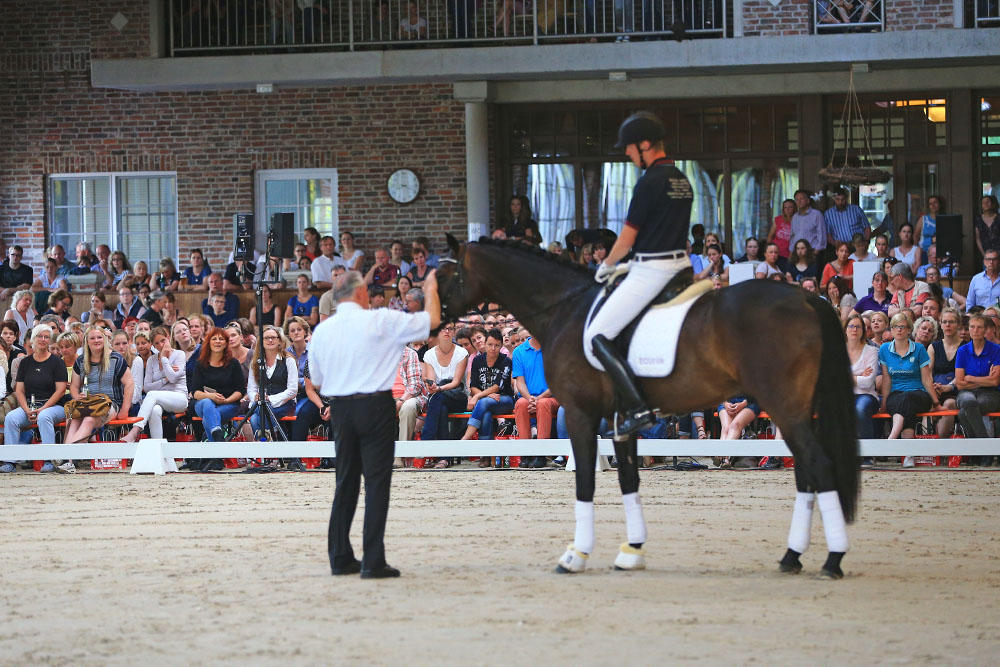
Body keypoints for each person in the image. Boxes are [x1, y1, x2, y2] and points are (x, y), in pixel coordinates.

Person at [309, 269, 440, 580]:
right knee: (377, 483)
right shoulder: (381, 319)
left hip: (341, 407)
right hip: (375, 404)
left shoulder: (323, 330)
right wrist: (431, 287)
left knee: (345, 482)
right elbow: (432, 321)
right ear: (361, 293)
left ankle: (340, 557)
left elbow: (318, 379)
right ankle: (373, 560)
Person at [583, 112, 693, 436]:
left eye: (630, 148)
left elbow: (627, 238)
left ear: (645, 145)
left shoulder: (650, 182)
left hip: (652, 270)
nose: (628, 154)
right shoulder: (681, 179)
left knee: (596, 337)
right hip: (679, 265)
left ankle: (637, 407)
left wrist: (606, 265)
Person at [1, 324, 68, 473]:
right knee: (11, 418)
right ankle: (10, 461)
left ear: (50, 340)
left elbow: (61, 391)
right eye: (40, 336)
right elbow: (19, 390)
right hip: (29, 407)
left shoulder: (57, 362)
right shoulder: (25, 363)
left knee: (44, 417)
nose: (43, 339)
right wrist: (26, 409)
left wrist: (42, 409)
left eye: (46, 337)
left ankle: (49, 460)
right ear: (33, 339)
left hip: (54, 407)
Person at [63, 326, 134, 446]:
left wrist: (124, 410)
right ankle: (68, 454)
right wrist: (76, 396)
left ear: (104, 339)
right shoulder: (80, 361)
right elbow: (74, 386)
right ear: (87, 341)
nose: (96, 340)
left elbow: (129, 384)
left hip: (110, 403)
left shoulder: (116, 359)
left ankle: (69, 454)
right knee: (73, 419)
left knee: (89, 419)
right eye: (92, 338)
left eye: (99, 337)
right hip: (87, 403)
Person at [879, 313, 939, 448]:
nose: (899, 330)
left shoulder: (919, 348)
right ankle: (908, 454)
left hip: (919, 393)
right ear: (891, 329)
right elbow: (886, 379)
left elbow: (926, 378)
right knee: (905, 406)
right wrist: (883, 404)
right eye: (896, 326)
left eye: (903, 327)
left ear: (909, 330)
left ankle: (891, 439)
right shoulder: (884, 349)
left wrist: (936, 402)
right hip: (896, 393)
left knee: (907, 398)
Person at [420, 322, 469, 468]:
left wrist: (439, 389)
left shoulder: (462, 353)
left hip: (457, 396)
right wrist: (432, 386)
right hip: (439, 398)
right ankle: (444, 458)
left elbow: (456, 382)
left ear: (453, 332)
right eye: (443, 329)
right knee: (441, 408)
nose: (446, 331)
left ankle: (426, 441)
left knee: (438, 399)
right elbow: (431, 380)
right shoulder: (429, 355)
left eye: (450, 329)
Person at [954, 313, 1000, 462]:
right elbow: (959, 383)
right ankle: (986, 450)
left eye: (979, 327)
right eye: (972, 327)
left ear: (986, 329)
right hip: (966, 392)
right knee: (968, 402)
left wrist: (971, 378)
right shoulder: (962, 350)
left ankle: (977, 453)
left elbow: (995, 382)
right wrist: (984, 380)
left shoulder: (996, 350)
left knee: (964, 412)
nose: (975, 330)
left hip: (990, 394)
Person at [511, 327, 560, 468]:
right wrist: (530, 398)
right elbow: (519, 382)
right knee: (520, 403)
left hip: (552, 397)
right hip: (530, 398)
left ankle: (541, 454)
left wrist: (538, 399)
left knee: (543, 403)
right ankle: (525, 453)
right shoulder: (519, 351)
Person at [460, 328, 514, 447]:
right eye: (490, 344)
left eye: (497, 345)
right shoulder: (477, 360)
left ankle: (465, 438)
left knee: (483, 403)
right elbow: (473, 386)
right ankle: (486, 452)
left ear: (501, 346)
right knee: (486, 412)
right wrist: (487, 395)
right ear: (485, 344)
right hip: (486, 401)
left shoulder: (505, 361)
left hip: (505, 400)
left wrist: (478, 396)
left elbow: (496, 387)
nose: (493, 348)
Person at [190, 327, 246, 445]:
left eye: (221, 339)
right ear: (209, 343)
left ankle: (216, 448)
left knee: (209, 417)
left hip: (228, 404)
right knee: (208, 404)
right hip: (203, 403)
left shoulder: (233, 363)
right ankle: (218, 439)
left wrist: (226, 401)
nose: (217, 341)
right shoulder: (200, 364)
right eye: (214, 339)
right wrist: (211, 397)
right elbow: (195, 392)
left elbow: (240, 391)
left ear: (226, 343)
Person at [245, 325, 298, 437]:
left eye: (273, 337)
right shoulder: (256, 362)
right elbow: (251, 388)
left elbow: (293, 390)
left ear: (279, 340)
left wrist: (270, 399)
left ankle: (267, 441)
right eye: (266, 338)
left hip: (285, 403)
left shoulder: (289, 360)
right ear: (261, 341)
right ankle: (275, 438)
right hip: (261, 404)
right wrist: (255, 396)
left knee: (255, 418)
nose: (270, 340)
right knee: (257, 415)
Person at [845, 314, 880, 445]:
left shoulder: (871, 351)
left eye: (858, 327)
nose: (854, 330)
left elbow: (868, 382)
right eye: (851, 326)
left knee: (860, 409)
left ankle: (868, 452)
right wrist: (860, 374)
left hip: (866, 396)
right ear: (845, 329)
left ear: (863, 331)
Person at [790, 190, 826, 270]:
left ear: (808, 200)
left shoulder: (817, 214)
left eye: (802, 198)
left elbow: (821, 234)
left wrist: (816, 252)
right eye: (797, 199)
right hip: (797, 254)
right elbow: (792, 236)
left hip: (812, 253)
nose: (799, 201)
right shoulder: (795, 217)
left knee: (812, 277)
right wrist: (791, 251)